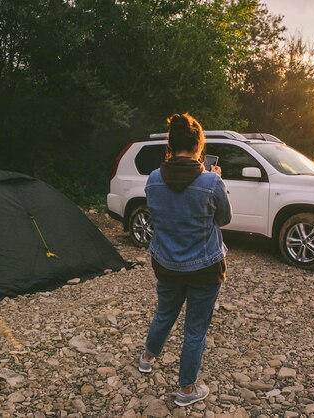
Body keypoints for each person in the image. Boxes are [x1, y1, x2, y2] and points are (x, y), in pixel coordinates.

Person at [139, 113, 232, 407]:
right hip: (204, 267)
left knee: (164, 313)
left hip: (166, 262)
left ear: (171, 144)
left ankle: (146, 357)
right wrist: (215, 180)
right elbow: (224, 219)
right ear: (198, 146)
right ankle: (187, 390)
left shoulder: (153, 179)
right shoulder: (210, 182)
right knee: (195, 329)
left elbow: (159, 214)